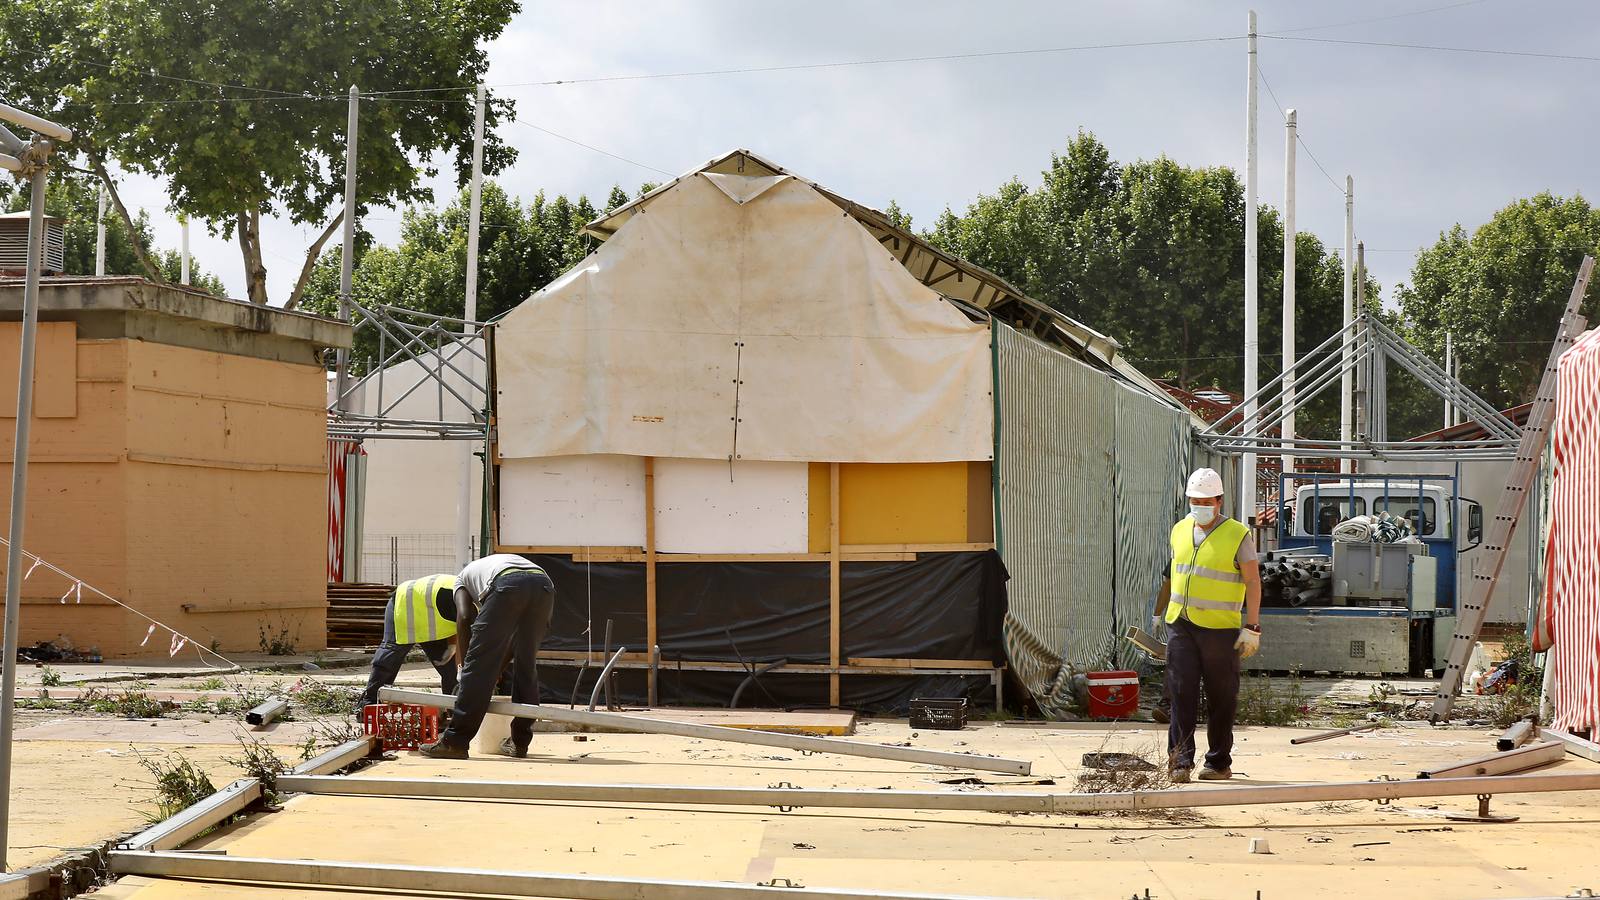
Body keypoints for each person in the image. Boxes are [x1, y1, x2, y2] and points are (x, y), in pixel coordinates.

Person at [1153, 467, 1262, 784]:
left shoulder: (1237, 534)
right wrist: (1159, 613)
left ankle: (1217, 763)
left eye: (1206, 500)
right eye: (1194, 500)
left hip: (1220, 629)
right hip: (1182, 624)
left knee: (1221, 697)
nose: (1199, 505)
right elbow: (1173, 574)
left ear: (1219, 501)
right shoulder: (1179, 530)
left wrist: (1252, 625)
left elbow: (1253, 580)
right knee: (1181, 693)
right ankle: (1179, 762)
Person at [419, 554, 555, 760]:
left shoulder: (460, 580)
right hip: (543, 585)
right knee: (526, 666)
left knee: (477, 666)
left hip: (508, 583)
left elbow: (464, 617)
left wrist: (464, 669)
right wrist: (496, 672)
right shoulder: (485, 572)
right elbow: (511, 645)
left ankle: (454, 742)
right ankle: (519, 743)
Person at [360, 574, 462, 709]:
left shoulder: (481, 601)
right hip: (406, 603)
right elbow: (464, 623)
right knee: (389, 656)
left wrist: (452, 645)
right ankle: (369, 704)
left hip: (434, 616)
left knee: (450, 667)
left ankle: (453, 708)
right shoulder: (471, 598)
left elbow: (458, 623)